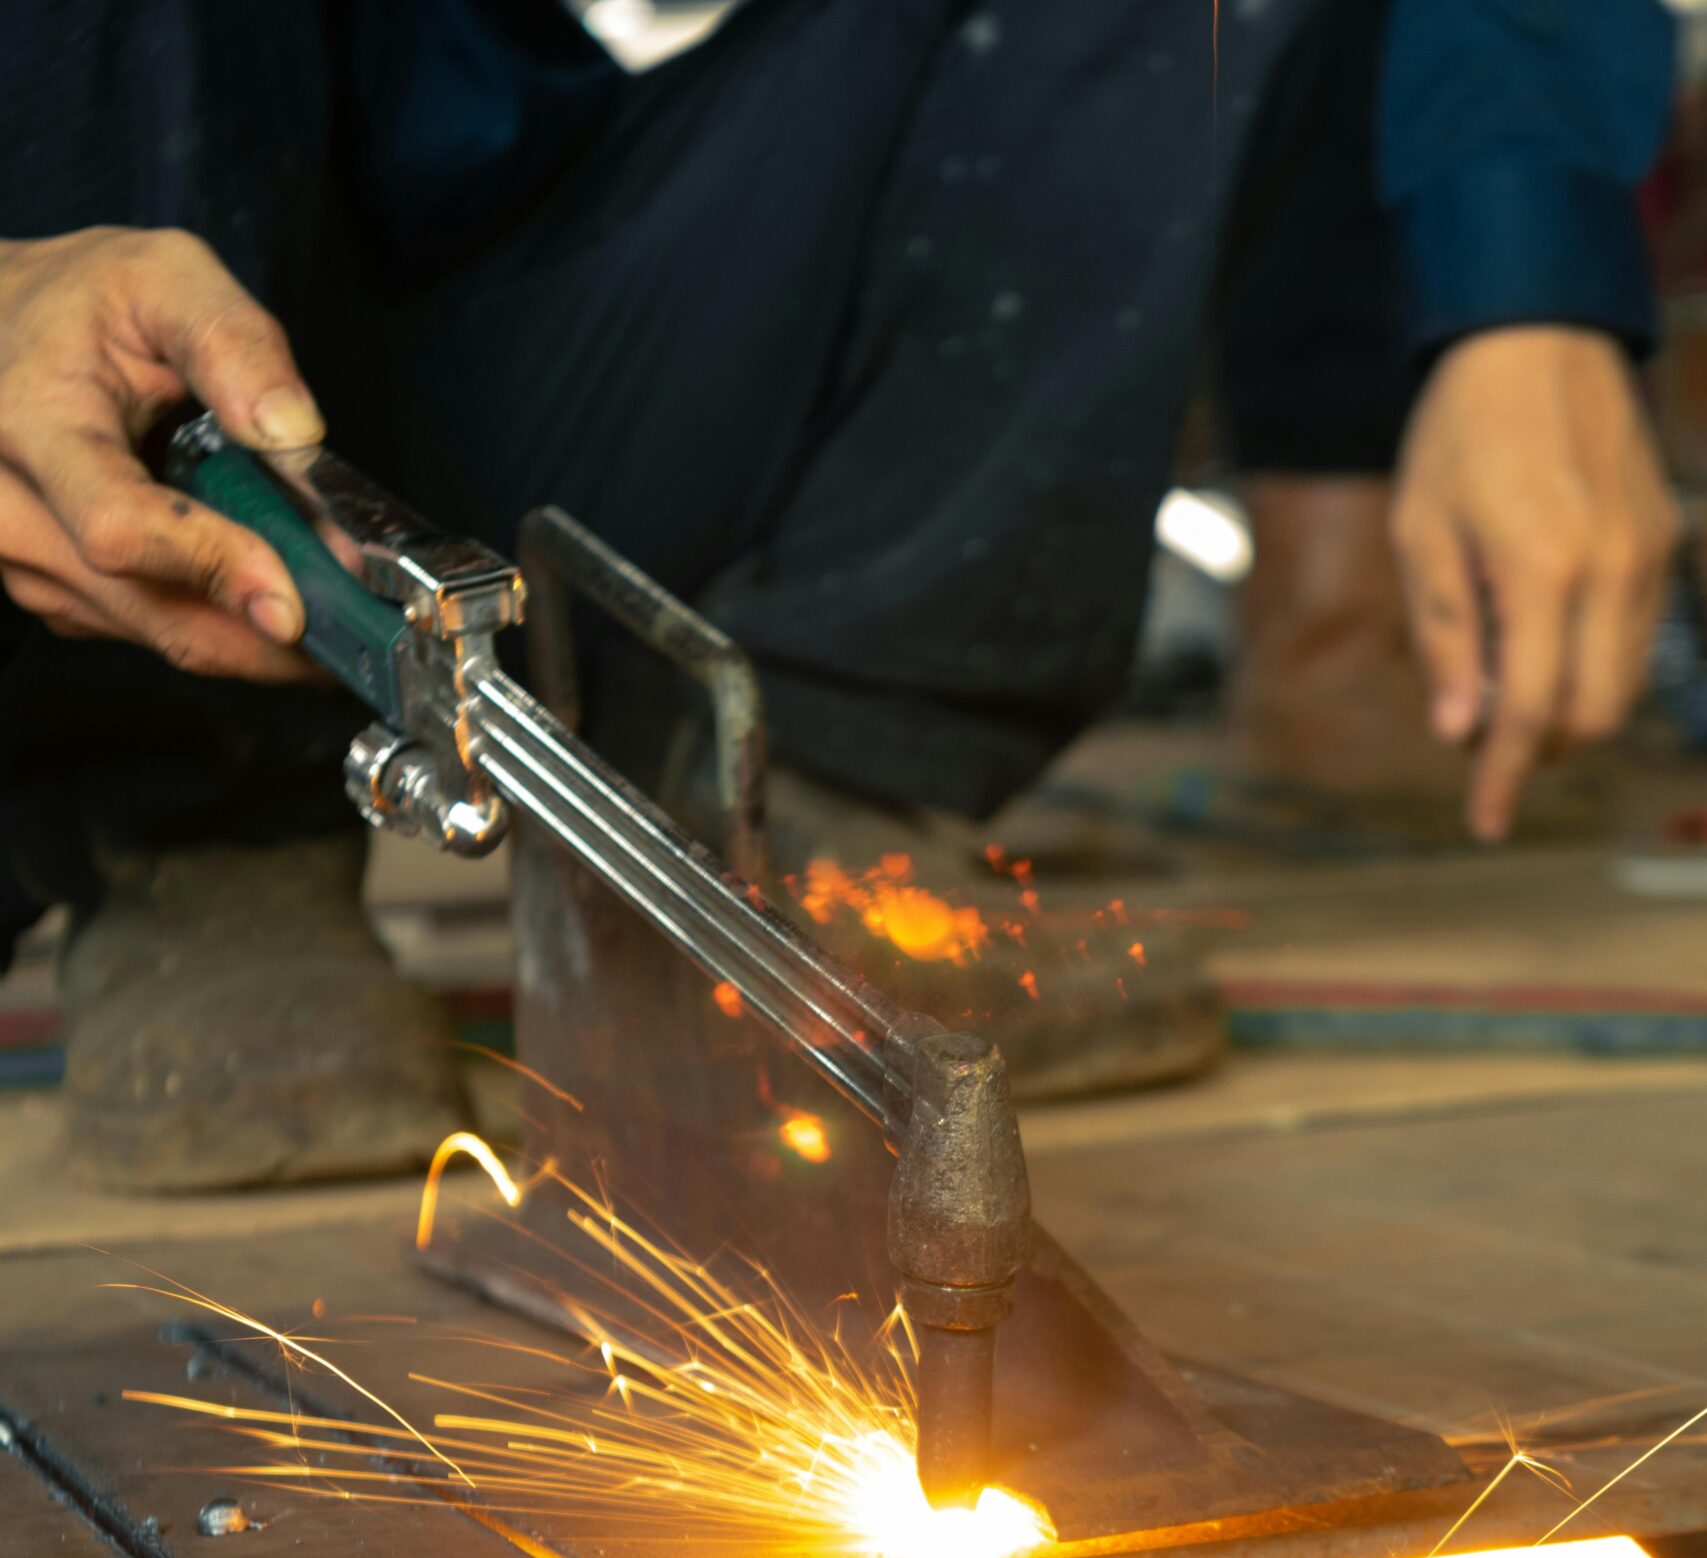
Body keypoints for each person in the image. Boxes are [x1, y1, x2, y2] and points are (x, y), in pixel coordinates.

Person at [0, 0, 1683, 1186]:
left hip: (668, 291)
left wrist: (1522, 286)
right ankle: (195, 849)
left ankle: (822, 798)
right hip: (151, 334)